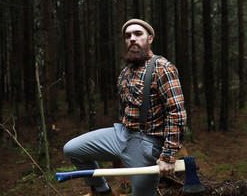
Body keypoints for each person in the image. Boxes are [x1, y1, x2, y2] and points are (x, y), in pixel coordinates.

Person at [63, 19, 187, 196]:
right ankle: (103, 191)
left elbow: (177, 114)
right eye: (128, 36)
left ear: (150, 39)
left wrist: (167, 156)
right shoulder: (124, 74)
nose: (132, 39)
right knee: (72, 149)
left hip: (146, 143)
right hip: (121, 135)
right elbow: (124, 112)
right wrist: (118, 153)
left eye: (138, 34)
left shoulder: (163, 68)